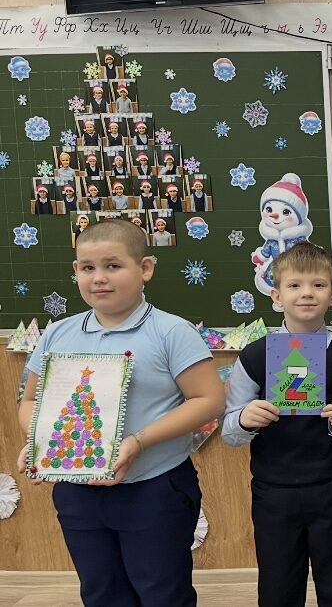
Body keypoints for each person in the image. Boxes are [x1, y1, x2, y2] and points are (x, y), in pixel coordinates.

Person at [15, 218, 224, 606]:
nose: (99, 278)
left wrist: (138, 442)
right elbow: (30, 401)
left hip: (154, 488)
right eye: (87, 267)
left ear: (145, 268)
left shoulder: (172, 332)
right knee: (101, 592)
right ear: (76, 271)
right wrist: (40, 440)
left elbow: (209, 400)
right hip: (78, 493)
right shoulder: (57, 334)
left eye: (113, 265)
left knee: (163, 594)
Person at [223, 242, 332, 607]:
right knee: (278, 590)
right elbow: (229, 432)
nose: (307, 293)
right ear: (276, 296)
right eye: (294, 285)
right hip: (274, 492)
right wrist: (244, 419)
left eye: (318, 285)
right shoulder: (254, 356)